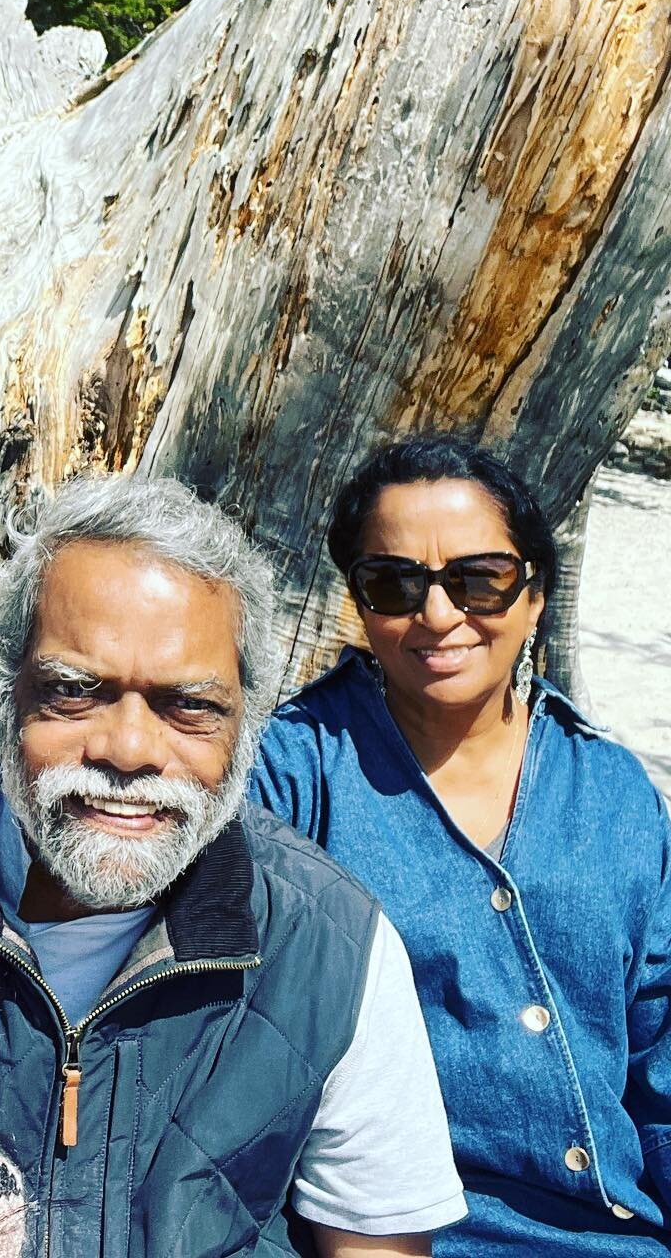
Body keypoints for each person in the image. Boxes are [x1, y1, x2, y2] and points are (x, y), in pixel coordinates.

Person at [0, 472, 466, 1258]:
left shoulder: (330, 948)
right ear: (4, 692)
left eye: (189, 706)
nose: (129, 751)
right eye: (74, 691)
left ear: (250, 722)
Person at [251, 435, 671, 1253]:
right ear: (358, 601)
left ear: (535, 595)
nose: (438, 614)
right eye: (394, 583)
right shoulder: (290, 778)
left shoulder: (614, 791)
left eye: (479, 580)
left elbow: (662, 1055)